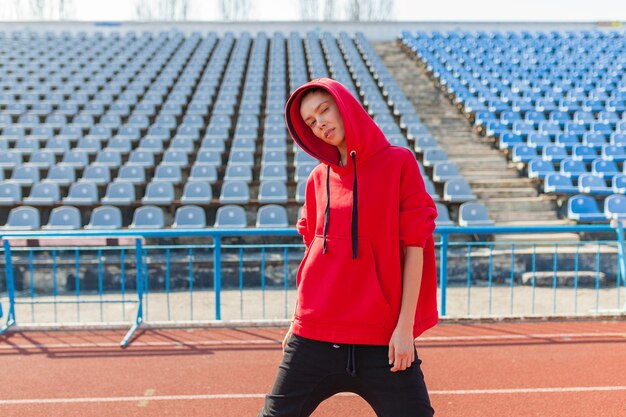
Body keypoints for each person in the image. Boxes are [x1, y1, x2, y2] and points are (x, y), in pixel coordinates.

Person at [258, 78, 439, 417]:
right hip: (316, 332)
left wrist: (405, 328)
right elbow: (313, 252)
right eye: (310, 122)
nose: (320, 123)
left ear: (345, 107)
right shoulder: (317, 178)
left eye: (324, 110)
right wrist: (296, 321)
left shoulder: (398, 163)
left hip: (382, 338)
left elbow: (414, 246)